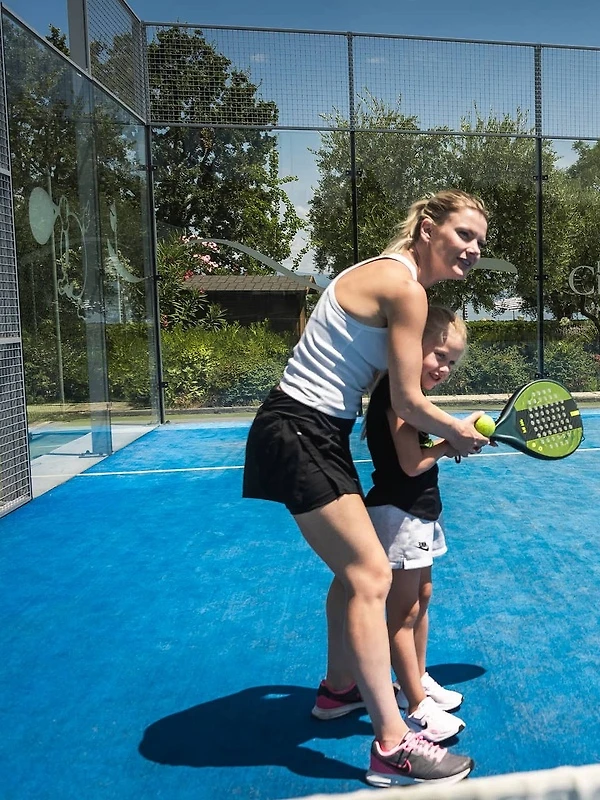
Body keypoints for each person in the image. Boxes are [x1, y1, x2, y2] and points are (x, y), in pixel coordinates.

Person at [242, 190, 491, 787]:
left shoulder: (389, 276)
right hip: (300, 427)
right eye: (464, 234)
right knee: (371, 575)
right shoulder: (405, 288)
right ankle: (392, 746)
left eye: (480, 243)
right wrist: (455, 431)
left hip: (314, 429)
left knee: (352, 575)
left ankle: (338, 690)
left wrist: (437, 433)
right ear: (428, 227)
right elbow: (406, 400)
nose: (473, 250)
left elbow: (391, 387)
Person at [316, 307, 473, 744]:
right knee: (402, 614)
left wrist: (447, 440)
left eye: (451, 361)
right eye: (438, 355)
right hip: (399, 514)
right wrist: (449, 444)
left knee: (422, 598)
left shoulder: (410, 397)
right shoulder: (397, 396)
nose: (444, 368)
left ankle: (414, 680)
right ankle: (417, 707)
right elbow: (410, 464)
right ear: (409, 346)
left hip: (419, 511)